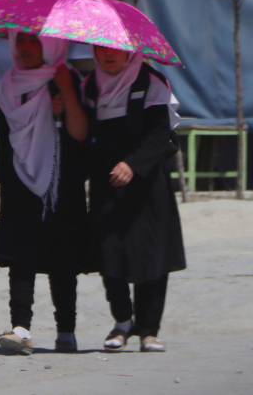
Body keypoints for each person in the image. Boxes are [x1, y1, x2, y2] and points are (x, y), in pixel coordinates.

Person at [81, 45, 187, 353]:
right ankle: (123, 321)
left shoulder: (151, 83)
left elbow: (159, 135)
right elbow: (88, 134)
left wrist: (133, 164)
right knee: (109, 251)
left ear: (130, 52)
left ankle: (149, 330)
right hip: (107, 182)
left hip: (147, 182)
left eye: (115, 49)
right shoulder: (90, 86)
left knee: (150, 255)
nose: (107, 55)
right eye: (100, 49)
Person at [0, 31, 89, 355]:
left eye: (34, 41)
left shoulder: (66, 77)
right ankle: (21, 327)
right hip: (20, 180)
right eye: (21, 41)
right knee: (22, 256)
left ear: (50, 45)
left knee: (62, 257)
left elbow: (80, 132)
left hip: (62, 182)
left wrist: (64, 92)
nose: (26, 48)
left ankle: (66, 331)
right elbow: (5, 138)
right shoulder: (9, 84)